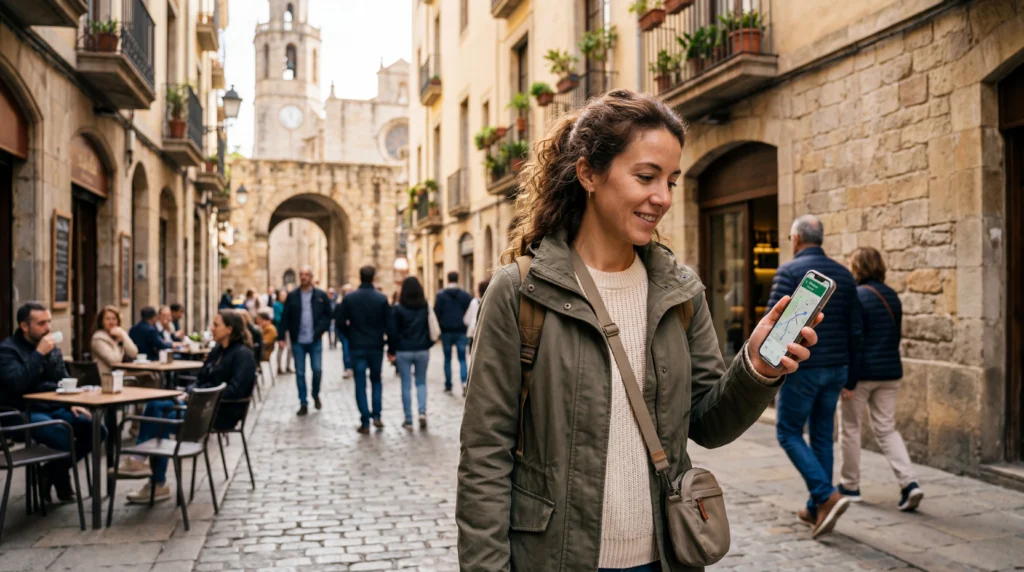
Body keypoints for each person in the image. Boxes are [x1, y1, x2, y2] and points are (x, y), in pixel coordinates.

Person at [456, 90, 824, 571]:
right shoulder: (521, 291)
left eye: (671, 180)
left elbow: (708, 424)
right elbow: (485, 453)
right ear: (588, 173)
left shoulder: (679, 290)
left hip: (665, 557)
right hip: (555, 557)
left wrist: (753, 367)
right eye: (646, 177)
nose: (663, 198)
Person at [767, 213, 862, 535]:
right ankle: (815, 509)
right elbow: (856, 329)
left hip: (803, 369)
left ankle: (825, 495)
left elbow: (774, 324)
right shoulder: (845, 275)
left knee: (788, 432)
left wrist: (765, 370)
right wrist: (852, 375)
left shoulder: (790, 271)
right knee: (822, 435)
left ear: (795, 239)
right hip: (838, 368)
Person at [120, 310, 257, 501]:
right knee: (155, 406)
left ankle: (156, 481)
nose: (212, 328)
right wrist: (190, 392)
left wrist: (199, 395)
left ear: (229, 329)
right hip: (199, 406)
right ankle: (143, 464)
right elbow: (199, 378)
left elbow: (234, 391)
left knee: (161, 419)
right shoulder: (217, 350)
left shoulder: (243, 355)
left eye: (216, 325)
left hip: (219, 413)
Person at [838, 247, 923, 511]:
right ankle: (910, 484)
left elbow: (855, 340)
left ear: (858, 268)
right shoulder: (892, 296)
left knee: (850, 428)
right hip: (890, 373)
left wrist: (849, 381)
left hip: (863, 375)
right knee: (886, 429)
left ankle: (850, 486)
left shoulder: (857, 296)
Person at [0, 303, 102, 503]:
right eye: (41, 323)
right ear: (24, 326)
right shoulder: (7, 350)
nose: (47, 328)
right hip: (20, 413)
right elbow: (18, 383)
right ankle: (61, 481)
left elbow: (61, 380)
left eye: (49, 322)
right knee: (61, 434)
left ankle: (48, 473)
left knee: (95, 428)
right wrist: (38, 354)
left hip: (54, 407)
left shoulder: (51, 347)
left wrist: (70, 402)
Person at [336, 266, 391, 433]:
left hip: (357, 346)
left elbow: (339, 322)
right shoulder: (381, 298)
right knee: (376, 381)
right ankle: (377, 415)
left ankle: (365, 421)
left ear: (360, 277)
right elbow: (389, 324)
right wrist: (389, 343)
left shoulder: (350, 298)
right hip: (375, 346)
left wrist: (350, 335)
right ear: (373, 278)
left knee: (360, 384)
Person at [280, 265, 333, 415]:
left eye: (306, 274)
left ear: (311, 277)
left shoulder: (320, 295)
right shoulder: (293, 296)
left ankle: (315, 394)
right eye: (301, 274)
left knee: (317, 370)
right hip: (298, 340)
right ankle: (303, 402)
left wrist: (320, 331)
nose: (304, 277)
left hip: (314, 340)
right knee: (300, 373)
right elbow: (286, 316)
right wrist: (281, 336)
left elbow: (328, 316)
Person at [387, 277, 435, 430]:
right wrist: (427, 344)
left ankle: (408, 419)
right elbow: (430, 328)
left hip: (404, 350)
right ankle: (422, 412)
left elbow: (392, 332)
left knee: (405, 385)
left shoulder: (398, 308)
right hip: (422, 349)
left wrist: (391, 350)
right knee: (421, 382)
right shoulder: (425, 306)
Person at [434, 271, 473, 395]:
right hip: (461, 330)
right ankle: (464, 383)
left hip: (446, 331)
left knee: (447, 359)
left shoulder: (440, 295)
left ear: (447, 279)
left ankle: (448, 385)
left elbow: (436, 313)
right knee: (462, 359)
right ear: (458, 279)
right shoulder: (465, 296)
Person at [91, 306, 139, 375]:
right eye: (108, 319)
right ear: (101, 322)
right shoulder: (98, 338)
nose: (111, 322)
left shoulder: (119, 333)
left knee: (150, 374)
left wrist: (123, 336)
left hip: (120, 373)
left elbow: (134, 353)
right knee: (147, 377)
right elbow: (114, 361)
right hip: (108, 376)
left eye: (114, 319)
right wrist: (118, 343)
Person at [463, 279, 489, 352]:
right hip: (488, 335)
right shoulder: (493, 301)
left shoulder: (474, 302)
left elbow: (466, 319)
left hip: (474, 333)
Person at [273, 289, 293, 374]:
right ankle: (279, 367)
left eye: (285, 295)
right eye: (282, 295)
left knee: (290, 349)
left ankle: (288, 366)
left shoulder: (288, 304)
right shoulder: (277, 305)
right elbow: (277, 318)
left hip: (289, 329)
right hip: (281, 329)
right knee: (281, 348)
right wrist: (285, 319)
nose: (283, 297)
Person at [340, 284, 354, 379]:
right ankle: (348, 368)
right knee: (346, 349)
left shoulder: (356, 302)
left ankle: (353, 367)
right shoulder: (341, 304)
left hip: (354, 331)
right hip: (345, 331)